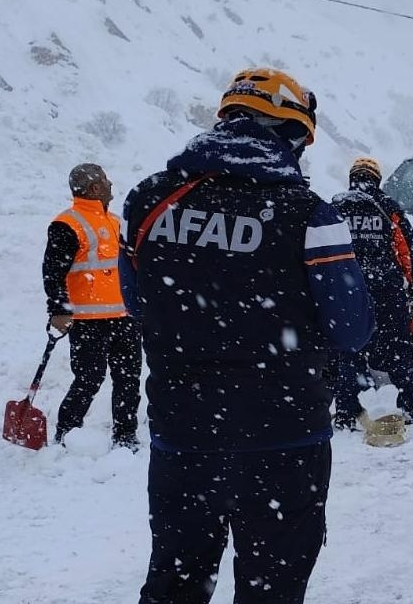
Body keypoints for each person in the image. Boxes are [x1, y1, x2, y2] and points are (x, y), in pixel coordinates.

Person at [120, 67, 374, 603]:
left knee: (175, 584)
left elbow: (138, 305)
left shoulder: (146, 201)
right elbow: (352, 330)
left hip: (183, 435)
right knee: (272, 589)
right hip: (285, 437)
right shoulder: (309, 213)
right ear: (285, 130)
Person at [43, 163, 142, 449]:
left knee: (128, 378)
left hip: (125, 316)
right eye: (105, 181)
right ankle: (66, 431)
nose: (111, 184)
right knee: (89, 378)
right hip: (88, 320)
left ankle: (125, 435)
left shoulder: (115, 222)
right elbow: (53, 271)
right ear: (95, 188)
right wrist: (59, 309)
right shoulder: (67, 224)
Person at [329, 156, 413, 427]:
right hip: (385, 287)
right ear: (376, 179)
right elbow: (405, 249)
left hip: (349, 288)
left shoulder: (335, 206)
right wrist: (411, 281)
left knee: (350, 350)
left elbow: (322, 248)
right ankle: (409, 405)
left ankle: (347, 412)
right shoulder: (387, 206)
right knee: (397, 348)